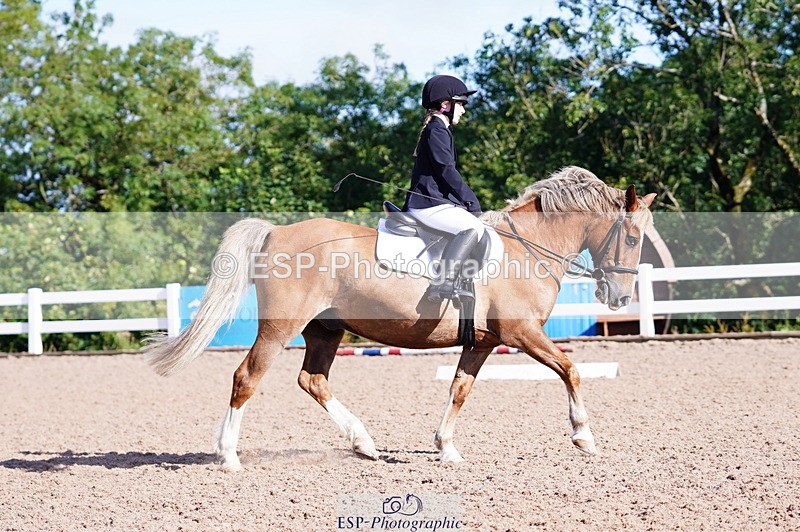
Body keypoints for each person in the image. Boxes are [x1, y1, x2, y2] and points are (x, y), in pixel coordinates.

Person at [402, 74, 485, 303]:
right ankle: (443, 284)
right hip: (427, 202)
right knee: (472, 228)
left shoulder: (439, 129)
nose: (463, 111)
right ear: (445, 104)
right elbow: (446, 170)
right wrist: (470, 200)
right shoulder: (436, 130)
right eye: (461, 105)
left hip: (434, 201)